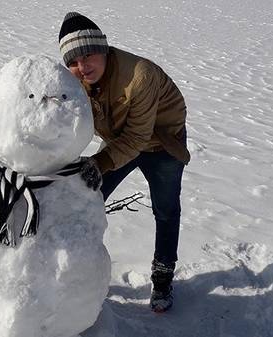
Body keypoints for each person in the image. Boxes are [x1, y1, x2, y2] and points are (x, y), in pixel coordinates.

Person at [58, 12, 191, 313]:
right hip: (123, 139)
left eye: (88, 55)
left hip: (161, 143)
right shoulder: (76, 80)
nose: (82, 67)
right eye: (73, 62)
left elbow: (137, 137)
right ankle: (76, 271)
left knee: (166, 209)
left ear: (103, 49)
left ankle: (163, 274)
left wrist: (100, 161)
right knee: (86, 198)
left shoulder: (139, 76)